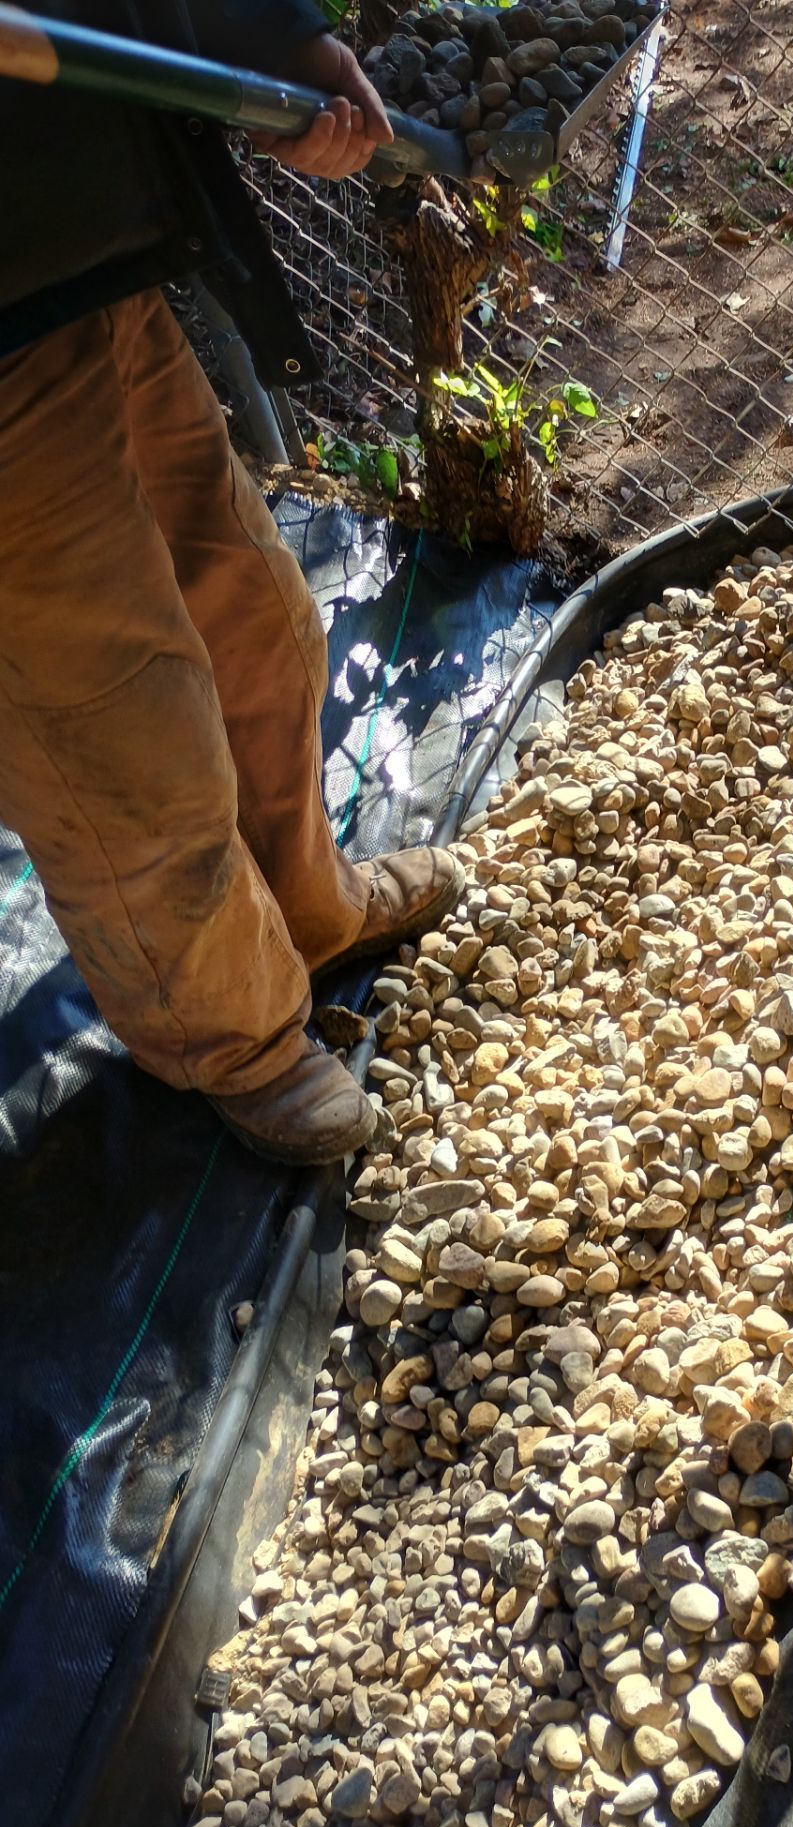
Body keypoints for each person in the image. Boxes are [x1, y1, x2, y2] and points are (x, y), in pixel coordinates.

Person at [0, 0, 464, 1165]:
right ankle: (228, 1033)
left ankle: (306, 909)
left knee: (255, 617)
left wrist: (270, 36)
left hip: (84, 254)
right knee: (114, 734)